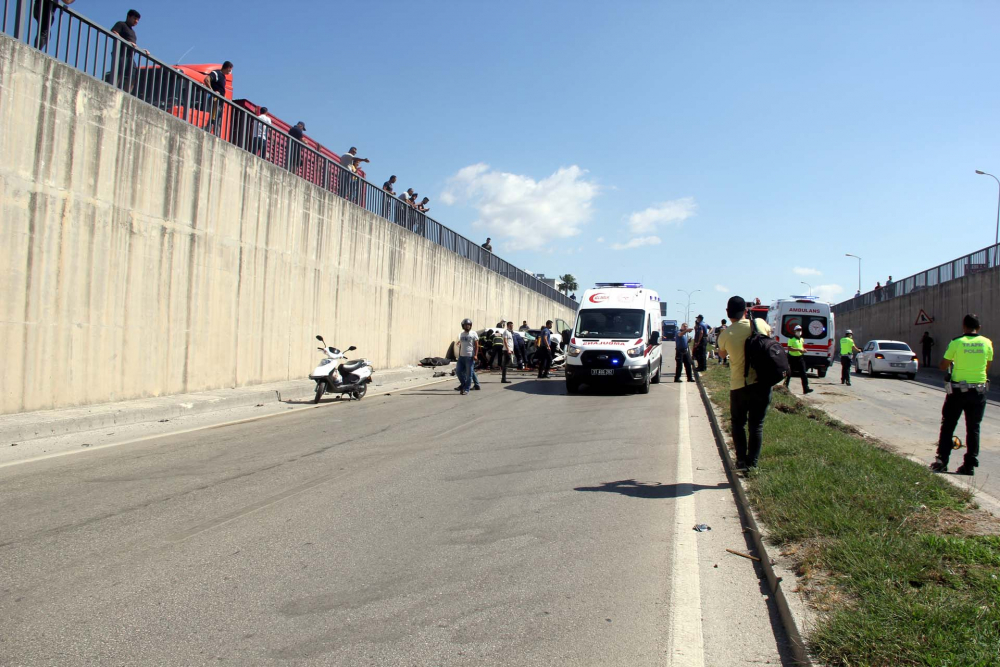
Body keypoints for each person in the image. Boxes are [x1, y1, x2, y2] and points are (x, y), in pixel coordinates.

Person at [930, 314, 993, 475]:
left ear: (964, 327)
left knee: (948, 425)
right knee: (973, 428)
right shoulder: (987, 343)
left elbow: (943, 365)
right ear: (978, 328)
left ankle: (942, 461)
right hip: (979, 392)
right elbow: (987, 367)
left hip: (958, 392)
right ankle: (969, 465)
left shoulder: (956, 342)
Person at [717, 296, 773, 471]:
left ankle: (741, 461)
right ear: (746, 311)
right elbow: (769, 338)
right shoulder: (760, 324)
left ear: (728, 312)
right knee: (756, 425)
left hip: (739, 385)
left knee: (738, 424)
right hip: (762, 383)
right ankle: (753, 464)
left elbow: (721, 355)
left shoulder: (726, 334)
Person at [108, 9, 146, 92]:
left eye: (138, 20)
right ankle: (112, 90)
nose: (136, 21)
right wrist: (126, 42)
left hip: (130, 56)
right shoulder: (121, 24)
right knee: (119, 72)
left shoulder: (133, 32)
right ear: (128, 17)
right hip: (121, 53)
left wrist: (142, 51)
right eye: (134, 18)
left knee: (132, 76)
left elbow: (133, 44)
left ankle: (126, 93)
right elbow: (114, 32)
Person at [203, 61, 234, 134]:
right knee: (214, 118)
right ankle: (210, 131)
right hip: (215, 100)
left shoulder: (223, 77)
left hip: (219, 102)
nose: (230, 72)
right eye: (230, 70)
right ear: (228, 68)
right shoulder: (216, 73)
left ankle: (214, 132)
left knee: (217, 119)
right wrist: (212, 92)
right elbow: (207, 79)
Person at [784, 325, 814, 394]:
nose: (799, 332)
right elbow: (789, 348)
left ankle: (806, 388)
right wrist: (799, 349)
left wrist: (803, 350)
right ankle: (785, 387)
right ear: (794, 331)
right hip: (792, 358)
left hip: (800, 358)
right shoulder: (791, 339)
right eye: (797, 330)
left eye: (800, 330)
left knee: (803, 373)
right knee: (789, 373)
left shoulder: (801, 339)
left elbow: (801, 347)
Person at [456, 318, 478, 395]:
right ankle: (464, 384)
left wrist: (475, 355)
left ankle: (466, 389)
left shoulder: (473, 333)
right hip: (461, 357)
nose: (467, 326)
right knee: (458, 372)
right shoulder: (461, 334)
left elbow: (476, 345)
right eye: (465, 325)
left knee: (469, 374)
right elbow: (461, 344)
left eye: (468, 325)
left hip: (470, 357)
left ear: (470, 326)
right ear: (463, 326)